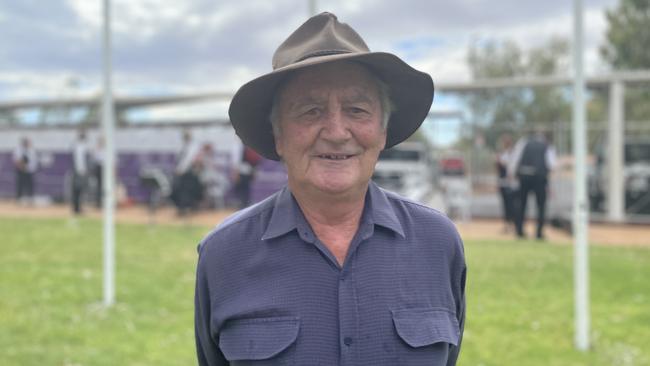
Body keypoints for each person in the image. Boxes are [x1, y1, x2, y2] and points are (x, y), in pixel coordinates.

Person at [195, 13, 466, 366]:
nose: (337, 131)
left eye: (357, 109)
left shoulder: (438, 243)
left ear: (382, 131)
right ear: (279, 135)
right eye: (310, 111)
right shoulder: (224, 255)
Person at [508, 128, 557, 240]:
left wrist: (512, 173)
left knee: (521, 204)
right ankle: (539, 233)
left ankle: (519, 231)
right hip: (540, 178)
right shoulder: (546, 145)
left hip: (524, 176)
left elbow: (515, 159)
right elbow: (552, 164)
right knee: (541, 206)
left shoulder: (524, 142)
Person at [171, 130, 203, 215]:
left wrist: (181, 170)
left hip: (188, 173)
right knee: (181, 191)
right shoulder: (184, 146)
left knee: (187, 192)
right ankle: (182, 209)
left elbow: (188, 160)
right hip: (183, 172)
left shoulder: (193, 146)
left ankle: (186, 209)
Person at [496, 133, 516, 233]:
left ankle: (512, 224)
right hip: (503, 182)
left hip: (511, 183)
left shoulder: (513, 154)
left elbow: (510, 167)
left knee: (511, 204)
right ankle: (507, 225)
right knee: (505, 204)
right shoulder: (502, 153)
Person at [13, 137, 38, 205]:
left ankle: (30, 199)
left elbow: (33, 161)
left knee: (30, 185)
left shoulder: (31, 150)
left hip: (30, 171)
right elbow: (17, 160)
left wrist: (29, 167)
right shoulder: (19, 150)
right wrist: (21, 165)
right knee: (20, 184)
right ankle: (19, 199)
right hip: (21, 170)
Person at [71, 129, 89, 215]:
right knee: (78, 190)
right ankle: (77, 209)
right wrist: (81, 170)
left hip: (78, 170)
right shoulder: (80, 146)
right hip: (79, 171)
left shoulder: (79, 145)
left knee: (78, 190)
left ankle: (77, 208)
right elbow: (80, 160)